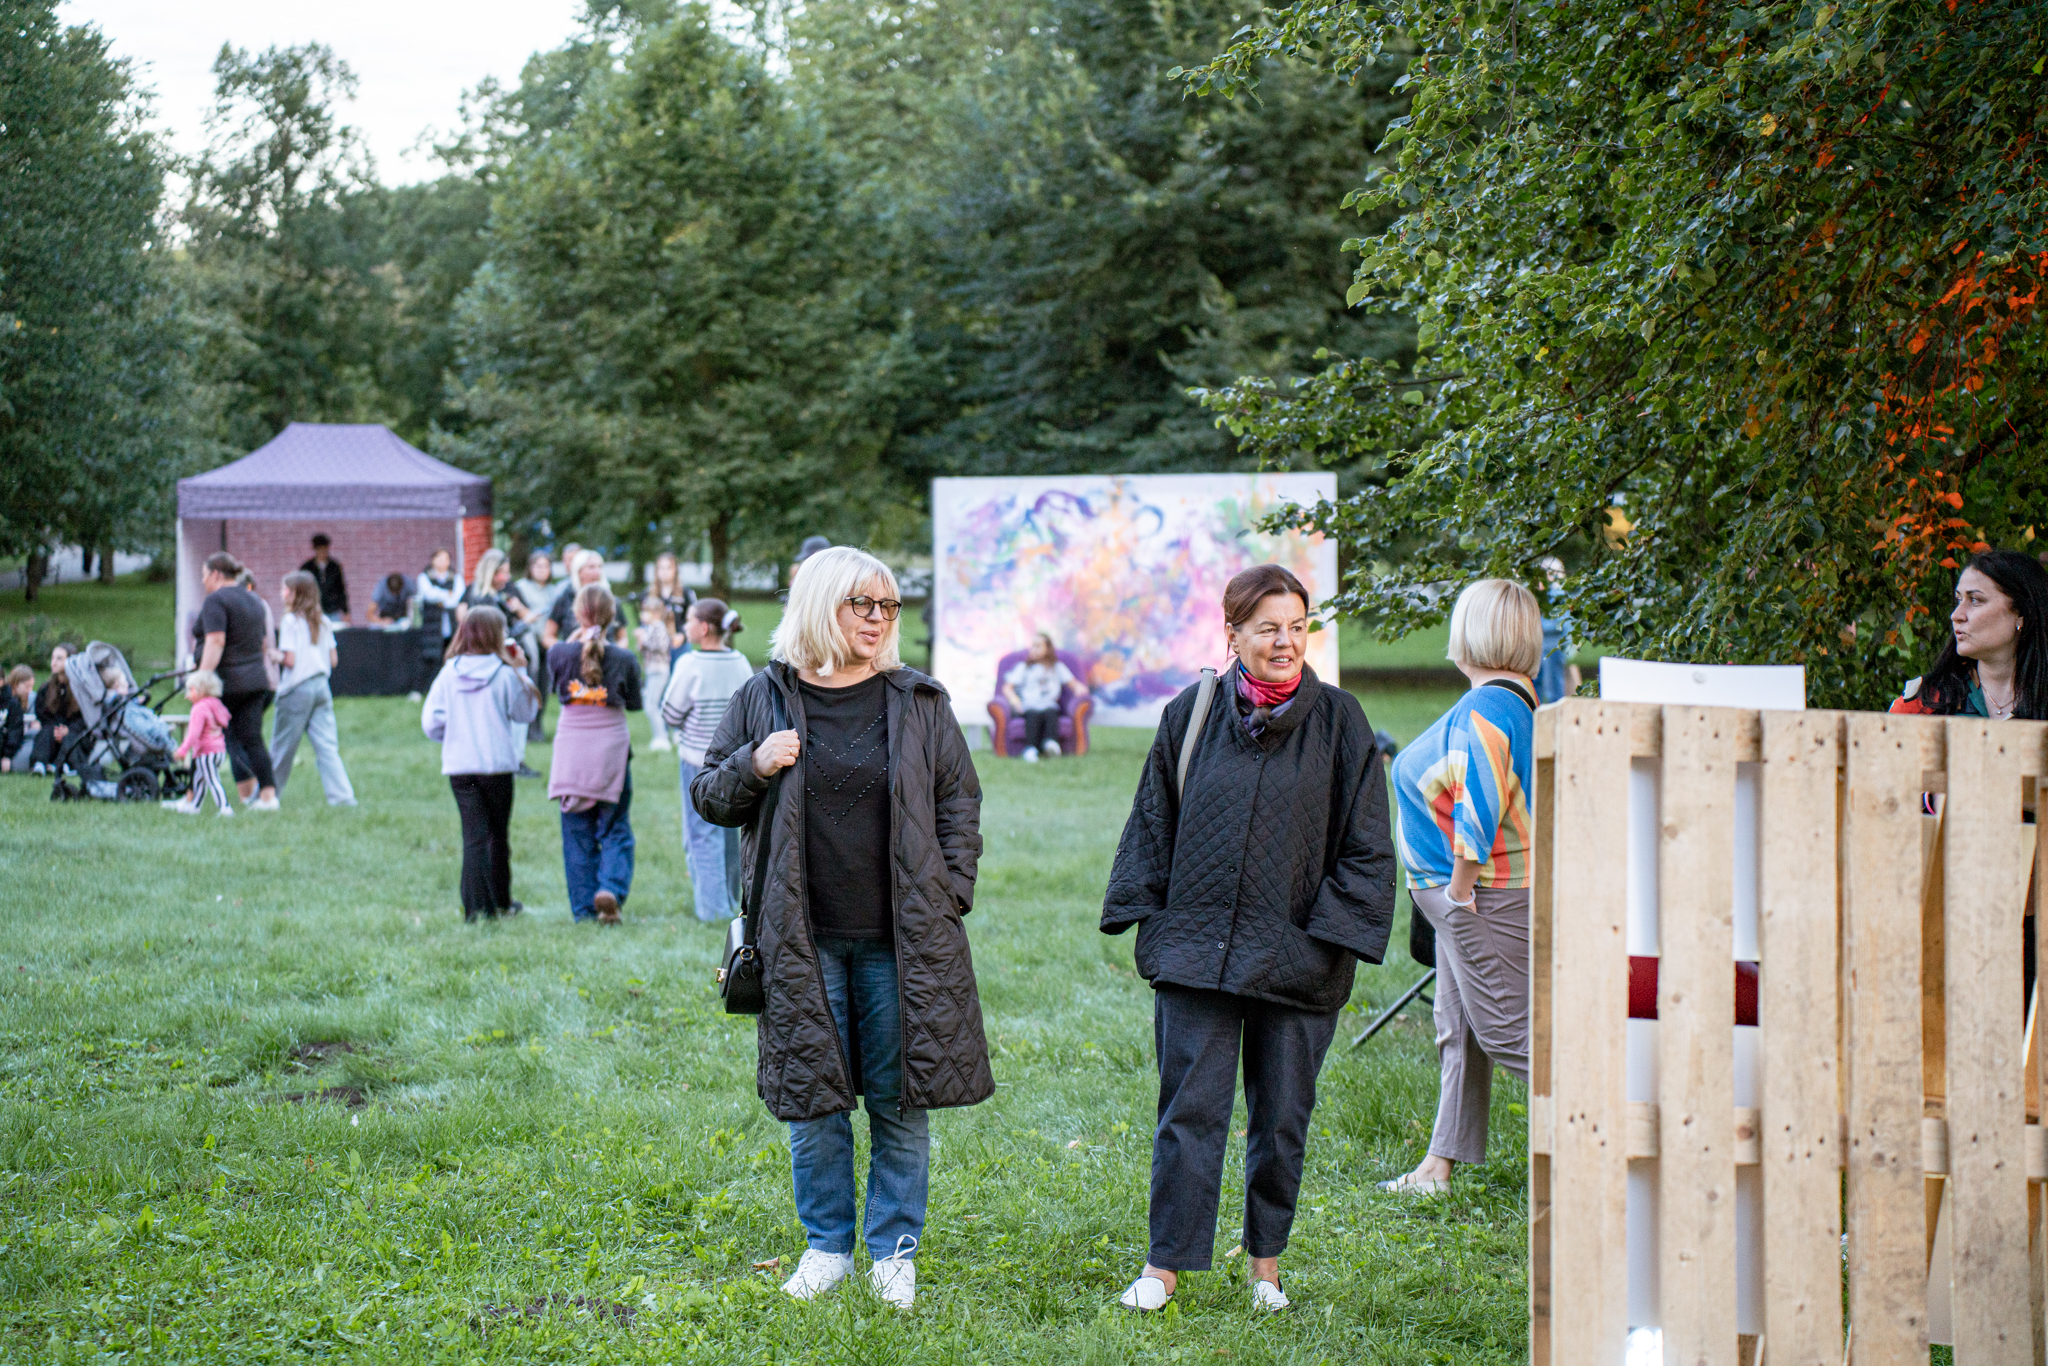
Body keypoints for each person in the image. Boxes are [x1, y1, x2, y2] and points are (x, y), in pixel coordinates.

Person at [691, 545, 991, 1311]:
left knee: (900, 1098)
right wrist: (755, 763)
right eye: (864, 603)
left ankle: (893, 1254)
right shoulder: (764, 697)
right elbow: (709, 796)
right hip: (802, 938)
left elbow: (959, 800)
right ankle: (826, 1248)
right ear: (822, 605)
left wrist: (950, 891)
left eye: (889, 606)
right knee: (815, 1096)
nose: (879, 619)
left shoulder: (917, 700)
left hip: (902, 941)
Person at [1101, 563, 1395, 1315]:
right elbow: (1153, 821)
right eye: (1268, 628)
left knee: (1282, 1118)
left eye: (1297, 627)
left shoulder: (1341, 722)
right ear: (1232, 634)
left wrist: (1324, 940)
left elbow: (1366, 846)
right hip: (1196, 952)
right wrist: (1153, 922)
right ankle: (1164, 1267)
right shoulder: (1190, 713)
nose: (1285, 641)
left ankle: (1266, 1267)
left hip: (1298, 958)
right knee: (1187, 1114)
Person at [1380, 578, 1542, 1198]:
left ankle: (1606, 1125)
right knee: (1460, 1028)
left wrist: (1458, 893)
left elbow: (1479, 805)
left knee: (1504, 1031)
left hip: (1481, 895)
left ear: (1471, 634)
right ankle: (1437, 1166)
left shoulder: (1489, 709)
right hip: (1476, 894)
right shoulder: (1510, 703)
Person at [422, 607, 542, 922]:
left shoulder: (449, 673)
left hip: (461, 766)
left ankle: (476, 909)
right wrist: (522, 671)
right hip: (496, 765)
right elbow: (526, 713)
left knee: (473, 837)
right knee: (497, 835)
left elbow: (430, 722)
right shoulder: (504, 674)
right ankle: (501, 901)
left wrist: (452, 735)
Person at [547, 583, 643, 925]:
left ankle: (583, 910)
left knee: (576, 833)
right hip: (610, 753)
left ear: (576, 614)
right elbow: (634, 703)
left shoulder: (558, 653)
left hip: (571, 751)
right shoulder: (624, 658)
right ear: (613, 616)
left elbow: (556, 689)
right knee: (615, 828)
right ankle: (611, 888)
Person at [661, 599, 754, 921]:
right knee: (729, 830)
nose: (684, 625)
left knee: (701, 834)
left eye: (688, 620)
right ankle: (730, 899)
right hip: (735, 763)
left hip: (697, 762)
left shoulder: (690, 663)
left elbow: (671, 714)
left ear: (703, 627)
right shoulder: (740, 662)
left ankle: (713, 910)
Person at [1891, 548, 2048, 720]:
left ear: (2021, 614)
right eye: (1959, 600)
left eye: (1974, 600)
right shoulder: (1923, 704)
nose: (1956, 615)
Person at [269, 571, 357, 806]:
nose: (282, 593)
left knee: (282, 748)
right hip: (321, 688)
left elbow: (290, 660)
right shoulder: (324, 621)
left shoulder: (290, 621)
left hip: (296, 689)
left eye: (285, 589)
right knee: (327, 747)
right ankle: (343, 798)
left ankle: (268, 796)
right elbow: (333, 660)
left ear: (295, 593)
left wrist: (273, 655)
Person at [1001, 632, 1085, 761]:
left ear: (1048, 648)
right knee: (1033, 717)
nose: (1034, 649)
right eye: (1033, 646)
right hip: (1029, 706)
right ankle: (1030, 748)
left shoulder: (1057, 667)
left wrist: (1080, 689)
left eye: (1038, 646)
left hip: (1049, 705)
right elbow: (1007, 688)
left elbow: (1073, 684)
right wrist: (1015, 701)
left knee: (1051, 714)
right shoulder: (1024, 667)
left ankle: (1050, 743)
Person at [168, 669, 233, 816]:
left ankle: (225, 808)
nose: (187, 695)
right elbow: (226, 719)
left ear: (202, 690)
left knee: (212, 780)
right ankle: (194, 806)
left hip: (207, 752)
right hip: (218, 751)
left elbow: (193, 734)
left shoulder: (199, 708)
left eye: (190, 690)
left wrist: (183, 750)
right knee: (199, 780)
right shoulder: (215, 704)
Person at [544, 550, 625, 650]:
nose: (597, 572)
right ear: (579, 571)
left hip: (606, 655)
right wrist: (565, 652)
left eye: (600, 567)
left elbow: (622, 637)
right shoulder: (565, 598)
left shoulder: (610, 600)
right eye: (591, 567)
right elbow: (548, 636)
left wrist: (616, 654)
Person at [30, 644, 81, 771]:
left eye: (59, 659)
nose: (53, 663)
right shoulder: (46, 689)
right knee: (46, 732)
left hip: (73, 732)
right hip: (53, 731)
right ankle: (39, 764)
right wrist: (57, 728)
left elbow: (84, 718)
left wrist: (67, 730)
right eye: (53, 658)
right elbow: (42, 714)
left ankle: (64, 765)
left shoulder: (80, 689)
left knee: (72, 738)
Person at [637, 594, 675, 752]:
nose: (643, 614)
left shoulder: (659, 627)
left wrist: (644, 639)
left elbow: (660, 646)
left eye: (647, 611)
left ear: (656, 613)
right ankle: (660, 736)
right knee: (651, 704)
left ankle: (662, 738)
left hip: (659, 670)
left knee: (651, 706)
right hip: (651, 670)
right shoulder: (650, 628)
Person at [647, 551, 696, 662]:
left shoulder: (686, 593)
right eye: (661, 568)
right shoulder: (648, 594)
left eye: (669, 568)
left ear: (675, 570)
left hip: (679, 645)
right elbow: (644, 619)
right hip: (656, 647)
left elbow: (694, 618)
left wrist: (683, 635)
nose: (665, 572)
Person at [300, 533, 349, 622]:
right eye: (320, 549)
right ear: (315, 550)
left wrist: (346, 611)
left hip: (332, 610)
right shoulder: (307, 568)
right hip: (313, 610)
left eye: (324, 549)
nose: (322, 552)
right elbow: (302, 590)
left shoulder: (334, 567)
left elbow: (341, 590)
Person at [2, 664, 35, 771]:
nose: (29, 691)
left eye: (31, 686)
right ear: (15, 684)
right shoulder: (7, 701)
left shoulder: (30, 699)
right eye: (26, 686)